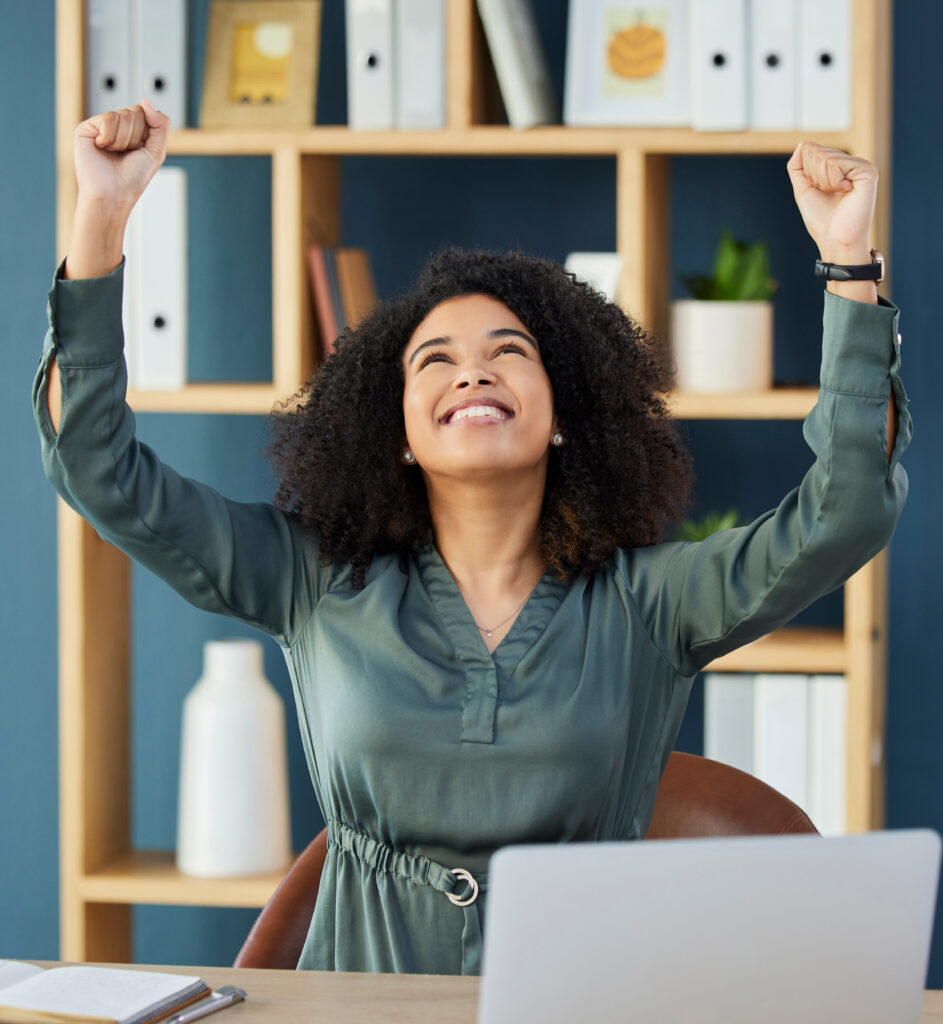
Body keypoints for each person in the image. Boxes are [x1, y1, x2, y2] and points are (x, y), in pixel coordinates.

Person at [34, 100, 910, 976]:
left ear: (563, 415)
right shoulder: (311, 581)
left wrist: (848, 266)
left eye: (508, 351)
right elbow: (98, 469)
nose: (473, 370)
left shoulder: (652, 601)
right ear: (400, 434)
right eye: (434, 361)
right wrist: (102, 214)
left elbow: (845, 512)